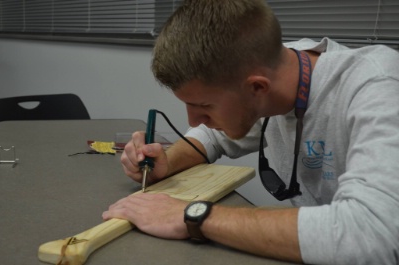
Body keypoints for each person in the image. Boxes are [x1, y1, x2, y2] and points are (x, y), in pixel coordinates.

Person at [102, 0, 399, 264]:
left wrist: (193, 215)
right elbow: (213, 136)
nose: (194, 120)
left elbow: (371, 236)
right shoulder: (278, 68)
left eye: (204, 105)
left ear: (258, 87)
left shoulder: (379, 86)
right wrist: (167, 161)